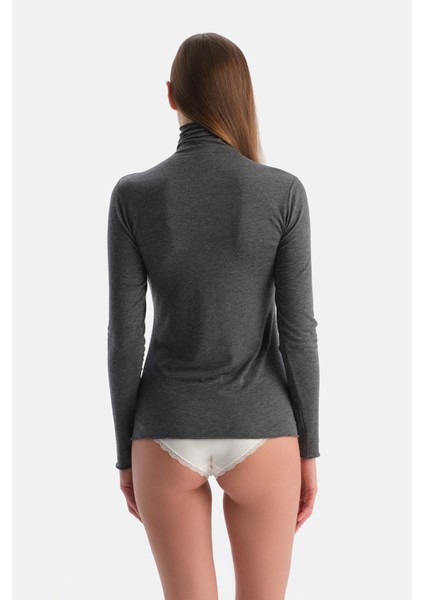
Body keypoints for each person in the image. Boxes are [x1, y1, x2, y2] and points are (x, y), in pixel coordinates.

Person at [107, 32, 320, 600]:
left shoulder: (134, 195)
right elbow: (299, 335)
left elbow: (125, 337)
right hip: (264, 430)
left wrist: (126, 453)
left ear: (171, 95)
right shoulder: (283, 193)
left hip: (164, 428)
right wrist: (308, 449)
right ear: (243, 96)